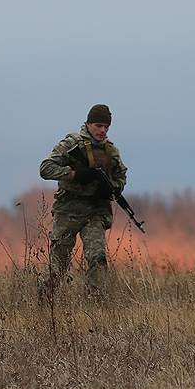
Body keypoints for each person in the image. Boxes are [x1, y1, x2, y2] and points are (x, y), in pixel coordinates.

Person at [38, 104, 127, 296]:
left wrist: (114, 187)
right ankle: (44, 303)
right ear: (88, 124)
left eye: (106, 127)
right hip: (69, 209)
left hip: (95, 211)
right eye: (98, 125)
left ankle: (94, 306)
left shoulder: (111, 152)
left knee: (98, 258)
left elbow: (121, 176)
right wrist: (74, 175)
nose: (102, 130)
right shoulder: (72, 144)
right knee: (58, 263)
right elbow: (45, 168)